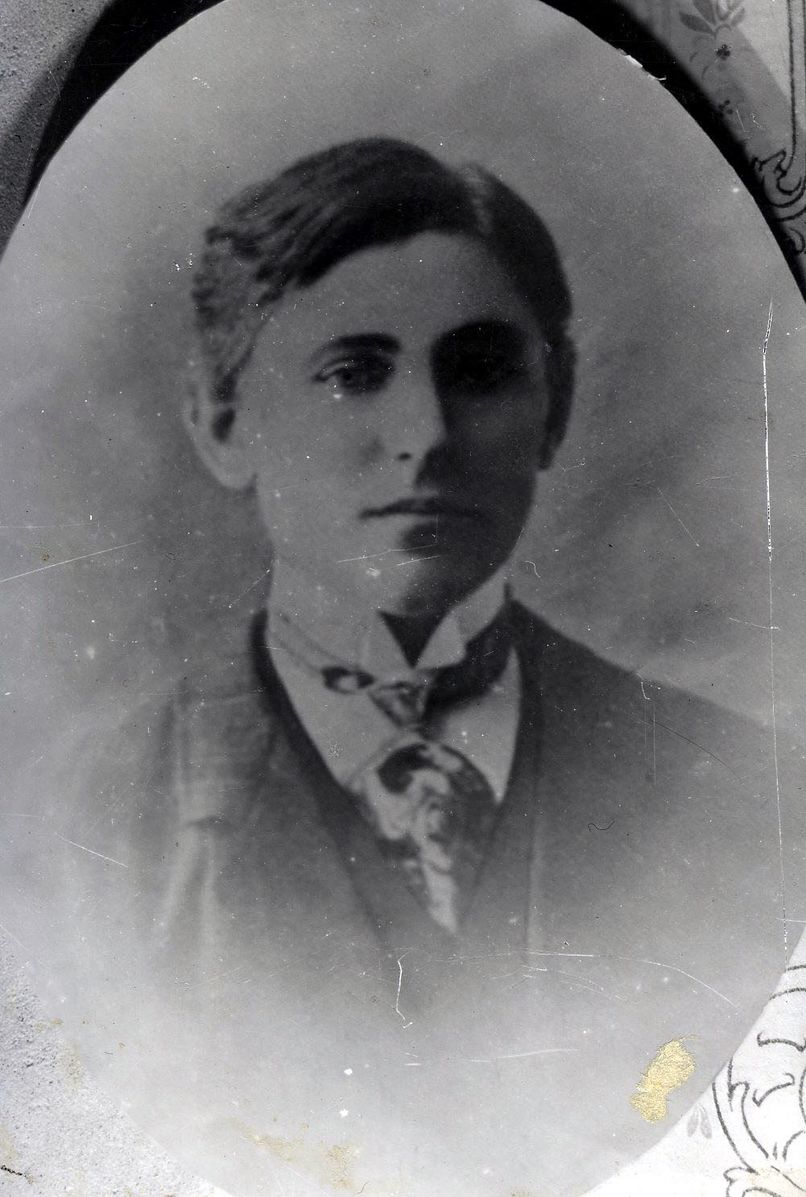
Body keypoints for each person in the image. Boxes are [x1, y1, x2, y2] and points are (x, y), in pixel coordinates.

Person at [9, 137, 805, 1196]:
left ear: (556, 404)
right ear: (222, 421)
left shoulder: (752, 801)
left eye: (480, 369)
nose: (425, 433)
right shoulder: (73, 840)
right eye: (353, 373)